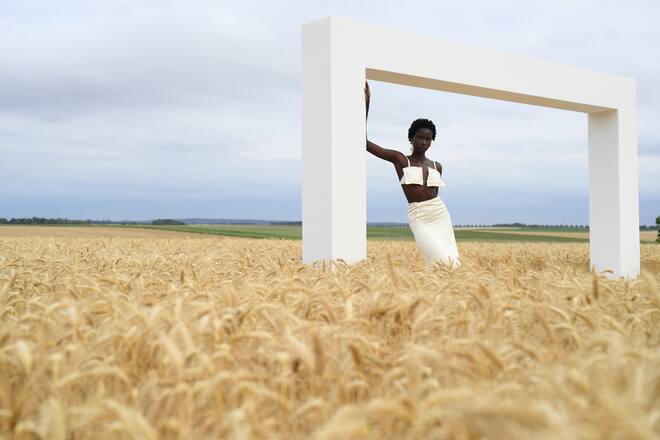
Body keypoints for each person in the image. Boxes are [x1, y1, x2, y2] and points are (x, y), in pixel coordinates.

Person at [364, 80, 461, 269]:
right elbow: (364, 142)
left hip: (440, 214)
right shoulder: (400, 160)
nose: (424, 142)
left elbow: (435, 196)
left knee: (452, 263)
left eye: (428, 139)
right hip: (419, 217)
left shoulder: (436, 166)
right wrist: (367, 105)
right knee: (441, 260)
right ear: (412, 138)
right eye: (420, 138)